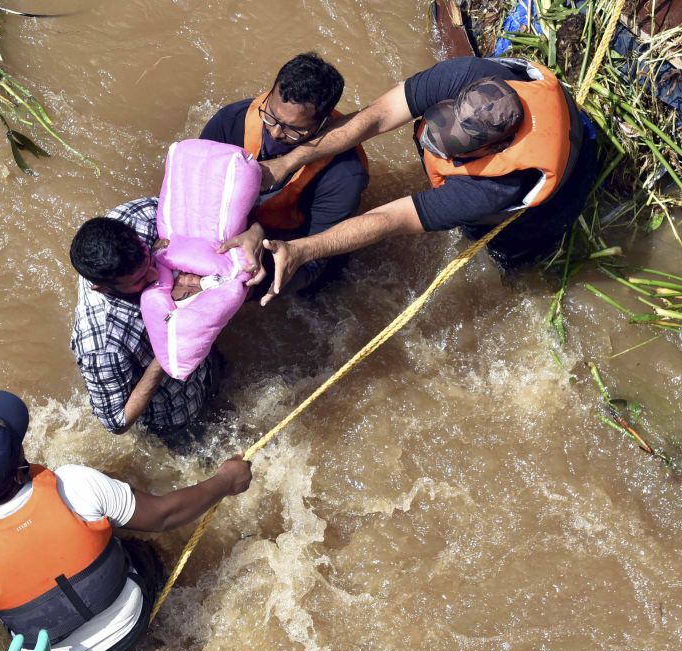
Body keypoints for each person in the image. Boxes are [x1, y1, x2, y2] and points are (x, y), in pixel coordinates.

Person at [0, 390, 252, 651]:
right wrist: (226, 481)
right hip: (134, 622)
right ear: (19, 471)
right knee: (139, 540)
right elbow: (164, 516)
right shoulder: (75, 483)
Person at [242, 56, 598, 305]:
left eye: (450, 153)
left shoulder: (494, 187)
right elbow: (377, 116)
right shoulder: (465, 73)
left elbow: (390, 220)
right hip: (539, 107)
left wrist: (302, 250)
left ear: (492, 149)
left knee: (508, 257)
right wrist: (289, 161)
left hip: (557, 185)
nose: (435, 151)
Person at [200, 51, 370, 290]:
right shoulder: (231, 122)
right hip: (244, 227)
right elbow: (197, 190)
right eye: (271, 117)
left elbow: (314, 258)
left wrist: (248, 283)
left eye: (294, 130)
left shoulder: (344, 175)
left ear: (323, 124)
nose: (276, 133)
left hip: (295, 243)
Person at [69, 198, 224, 437]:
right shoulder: (102, 345)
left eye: (150, 260)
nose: (154, 275)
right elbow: (117, 422)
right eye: (138, 281)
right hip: (175, 410)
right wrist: (168, 350)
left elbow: (201, 216)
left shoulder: (141, 218)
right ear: (102, 288)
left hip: (206, 357)